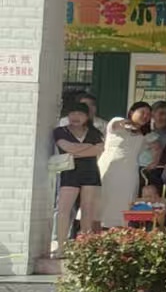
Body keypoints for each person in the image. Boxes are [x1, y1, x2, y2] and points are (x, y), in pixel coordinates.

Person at [51, 99, 104, 247]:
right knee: (64, 209)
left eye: (80, 113)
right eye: (72, 113)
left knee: (87, 209)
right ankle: (60, 246)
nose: (76, 117)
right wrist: (87, 147)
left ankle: (84, 245)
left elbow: (99, 149)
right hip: (69, 173)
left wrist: (75, 151)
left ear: (87, 116)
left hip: (90, 173)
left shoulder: (94, 132)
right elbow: (67, 147)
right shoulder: (60, 131)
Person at [96, 100, 152, 231]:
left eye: (149, 115)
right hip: (110, 167)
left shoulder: (145, 135)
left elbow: (156, 148)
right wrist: (130, 125)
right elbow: (119, 123)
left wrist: (153, 162)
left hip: (129, 171)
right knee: (103, 201)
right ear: (132, 112)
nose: (145, 116)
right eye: (142, 112)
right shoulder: (116, 122)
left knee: (125, 203)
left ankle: (120, 233)